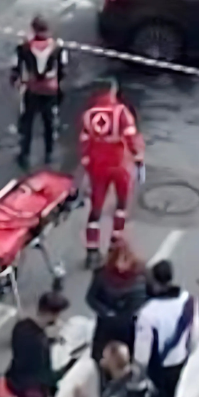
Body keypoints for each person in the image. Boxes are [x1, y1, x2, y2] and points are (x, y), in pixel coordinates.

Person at [134, 260, 197, 397]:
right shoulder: (187, 300)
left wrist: (138, 370)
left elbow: (142, 350)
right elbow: (195, 331)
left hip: (157, 367)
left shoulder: (148, 313)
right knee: (171, 394)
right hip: (178, 360)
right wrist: (188, 352)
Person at [78, 77, 145, 260]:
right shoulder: (120, 112)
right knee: (121, 204)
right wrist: (138, 159)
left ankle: (92, 250)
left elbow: (84, 142)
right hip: (119, 165)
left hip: (97, 167)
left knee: (96, 208)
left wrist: (86, 165)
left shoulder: (89, 115)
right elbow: (131, 136)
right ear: (112, 92)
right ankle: (115, 243)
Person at [11, 17, 67, 170]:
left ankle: (24, 154)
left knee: (27, 121)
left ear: (33, 29)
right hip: (50, 90)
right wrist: (59, 85)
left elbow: (16, 66)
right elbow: (63, 69)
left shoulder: (24, 47)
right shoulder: (57, 47)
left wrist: (16, 80)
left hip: (32, 89)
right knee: (49, 122)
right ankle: (49, 153)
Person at [87, 242, 148, 375]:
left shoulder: (141, 276)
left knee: (124, 362)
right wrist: (106, 312)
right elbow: (91, 297)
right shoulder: (102, 274)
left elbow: (145, 299)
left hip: (128, 328)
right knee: (100, 361)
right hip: (106, 326)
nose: (122, 265)